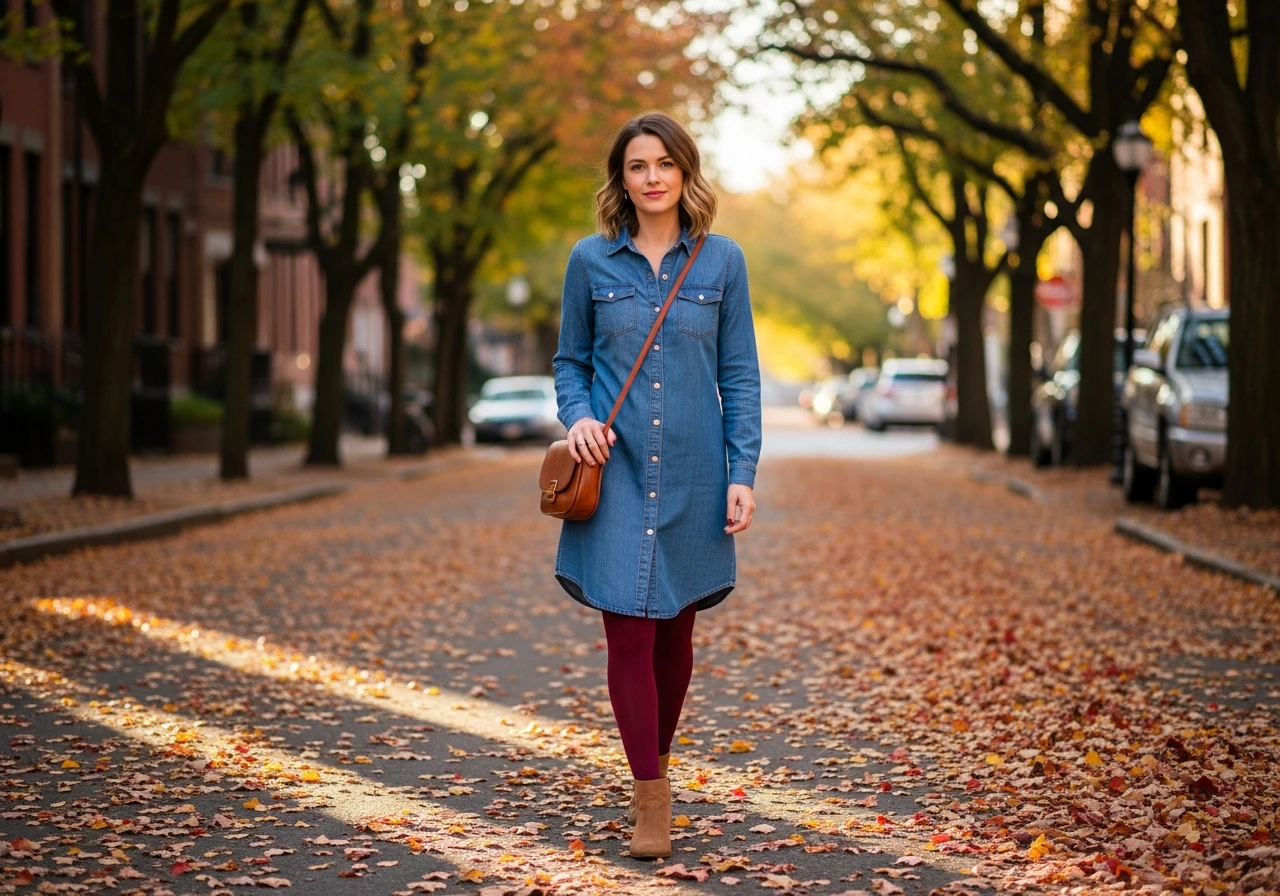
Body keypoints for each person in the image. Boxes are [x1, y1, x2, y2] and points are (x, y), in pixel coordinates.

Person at [551, 111, 762, 859]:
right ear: (622, 178)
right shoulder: (590, 261)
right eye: (638, 165)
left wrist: (743, 473)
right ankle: (652, 796)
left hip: (696, 472)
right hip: (617, 469)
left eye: (665, 164)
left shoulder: (722, 262)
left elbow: (739, 375)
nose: (652, 178)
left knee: (675, 628)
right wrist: (576, 418)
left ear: (685, 173)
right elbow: (569, 361)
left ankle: (659, 760)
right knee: (628, 628)